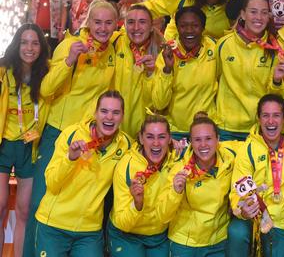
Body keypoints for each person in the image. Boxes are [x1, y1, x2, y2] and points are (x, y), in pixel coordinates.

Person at [29, 0, 119, 253]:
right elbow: (46, 90)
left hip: (89, 137)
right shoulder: (70, 45)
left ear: (115, 25)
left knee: (84, 203)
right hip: (58, 132)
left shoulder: (112, 50)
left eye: (108, 22)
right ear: (87, 22)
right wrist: (69, 61)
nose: (102, 28)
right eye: (97, 22)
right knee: (42, 202)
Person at [34, 91, 131, 256]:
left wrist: (171, 145)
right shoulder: (71, 134)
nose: (109, 117)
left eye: (116, 113)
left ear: (122, 117)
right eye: (104, 111)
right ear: (95, 113)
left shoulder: (125, 144)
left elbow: (146, 152)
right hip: (54, 225)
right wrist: (70, 159)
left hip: (89, 232)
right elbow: (51, 182)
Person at [226, 95, 284, 256]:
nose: (271, 121)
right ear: (259, 119)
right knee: (237, 231)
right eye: (265, 115)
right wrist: (242, 209)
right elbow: (236, 191)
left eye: (276, 115)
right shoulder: (249, 149)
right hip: (256, 221)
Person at [0, 25, 50, 257]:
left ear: (41, 47)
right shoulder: (3, 70)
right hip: (4, 145)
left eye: (35, 43)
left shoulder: (47, 74)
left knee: (23, 211)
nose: (29, 48)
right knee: (0, 205)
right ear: (16, 44)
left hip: (30, 147)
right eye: (24, 42)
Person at [156, 115, 236, 256]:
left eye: (208, 139)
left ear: (218, 140)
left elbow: (252, 145)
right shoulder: (180, 170)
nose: (203, 145)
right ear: (191, 142)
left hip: (218, 242)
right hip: (185, 244)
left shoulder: (229, 159)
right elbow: (163, 216)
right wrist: (176, 192)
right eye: (197, 140)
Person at [213, 0, 284, 141]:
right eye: (253, 12)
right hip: (226, 127)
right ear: (243, 14)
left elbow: (274, 96)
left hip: (259, 127)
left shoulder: (275, 48)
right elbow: (212, 82)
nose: (258, 17)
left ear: (269, 16)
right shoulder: (224, 44)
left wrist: (277, 81)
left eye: (263, 12)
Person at [108, 114, 173, 256]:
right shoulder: (126, 166)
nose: (156, 143)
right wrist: (137, 204)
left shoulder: (176, 160)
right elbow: (121, 223)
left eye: (162, 137)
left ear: (169, 139)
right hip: (125, 235)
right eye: (150, 137)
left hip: (158, 236)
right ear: (141, 139)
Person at [151, 7, 219, 141]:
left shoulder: (215, 49)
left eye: (195, 26)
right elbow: (159, 103)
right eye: (183, 26)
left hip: (206, 130)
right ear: (177, 27)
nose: (189, 30)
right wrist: (167, 70)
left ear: (203, 28)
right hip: (176, 132)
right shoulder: (168, 53)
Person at [113, 5, 160, 139]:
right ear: (125, 25)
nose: (136, 27)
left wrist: (151, 72)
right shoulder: (115, 42)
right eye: (131, 22)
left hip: (142, 132)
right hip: (112, 127)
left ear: (151, 26)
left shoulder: (161, 52)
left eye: (142, 22)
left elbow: (158, 102)